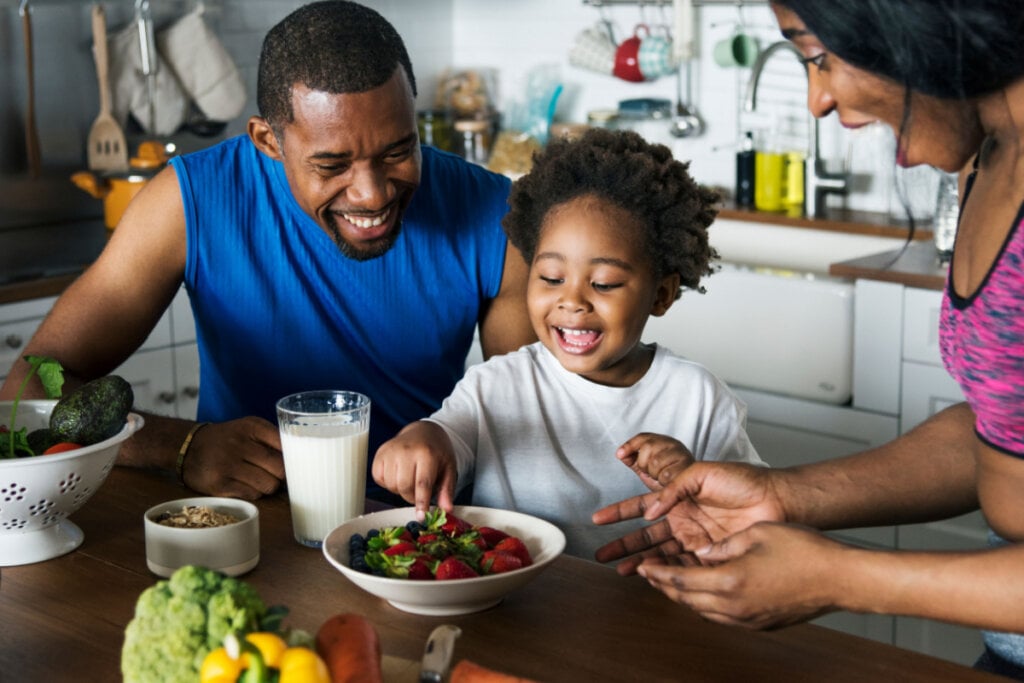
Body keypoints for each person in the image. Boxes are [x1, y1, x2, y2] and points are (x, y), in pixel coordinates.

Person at [591, 0, 1024, 677]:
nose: (818, 100)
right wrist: (783, 495)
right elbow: (1000, 431)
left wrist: (842, 576)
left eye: (819, 55)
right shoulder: (989, 157)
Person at [0, 1, 534, 501]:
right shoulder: (191, 202)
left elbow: (531, 420)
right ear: (267, 140)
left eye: (399, 150)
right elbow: (27, 386)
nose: (372, 193)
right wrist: (180, 446)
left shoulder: (497, 215)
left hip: (420, 533)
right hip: (254, 523)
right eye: (332, 165)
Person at [372, 128, 765, 558]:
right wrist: (421, 439)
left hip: (651, 610)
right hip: (516, 607)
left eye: (604, 283)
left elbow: (756, 520)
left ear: (661, 295)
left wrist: (693, 479)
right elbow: (448, 435)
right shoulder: (497, 384)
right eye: (551, 278)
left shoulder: (700, 401)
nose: (572, 300)